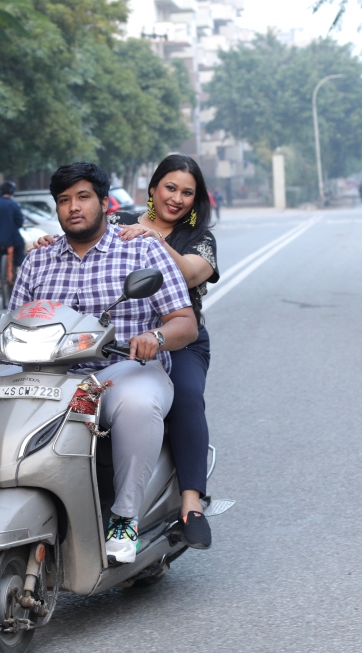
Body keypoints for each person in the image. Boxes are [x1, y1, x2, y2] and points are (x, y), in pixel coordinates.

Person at [0, 162, 197, 563]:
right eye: (64, 200)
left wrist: (153, 338)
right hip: (50, 375)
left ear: (105, 203)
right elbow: (14, 321)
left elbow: (184, 322)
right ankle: (0, 499)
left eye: (83, 197)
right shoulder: (39, 259)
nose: (73, 207)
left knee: (138, 404)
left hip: (123, 370)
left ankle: (124, 516)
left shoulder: (141, 247)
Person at [106, 154, 220, 550]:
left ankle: (192, 503)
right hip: (119, 336)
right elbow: (82, 246)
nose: (177, 199)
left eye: (187, 193)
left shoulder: (199, 239)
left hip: (178, 337)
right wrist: (50, 241)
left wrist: (154, 239)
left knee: (186, 396)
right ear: (153, 187)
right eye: (170, 188)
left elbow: (188, 274)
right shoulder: (119, 223)